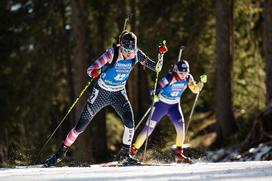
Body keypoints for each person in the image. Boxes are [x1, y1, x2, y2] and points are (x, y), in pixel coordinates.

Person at [43, 31, 166, 167]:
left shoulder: (136, 54)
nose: (128, 53)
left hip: (118, 93)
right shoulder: (111, 54)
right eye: (126, 50)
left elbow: (157, 68)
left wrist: (161, 55)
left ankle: (126, 156)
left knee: (130, 122)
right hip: (101, 93)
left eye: (131, 50)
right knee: (80, 126)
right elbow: (90, 69)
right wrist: (95, 72)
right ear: (121, 46)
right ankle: (59, 155)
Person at [130, 60, 207, 164]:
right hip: (160, 105)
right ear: (176, 71)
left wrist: (201, 83)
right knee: (148, 129)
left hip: (174, 106)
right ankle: (131, 152)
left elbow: (195, 90)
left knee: (181, 129)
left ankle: (179, 154)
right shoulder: (170, 77)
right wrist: (154, 95)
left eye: (185, 73)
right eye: (181, 73)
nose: (183, 75)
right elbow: (155, 88)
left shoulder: (189, 78)